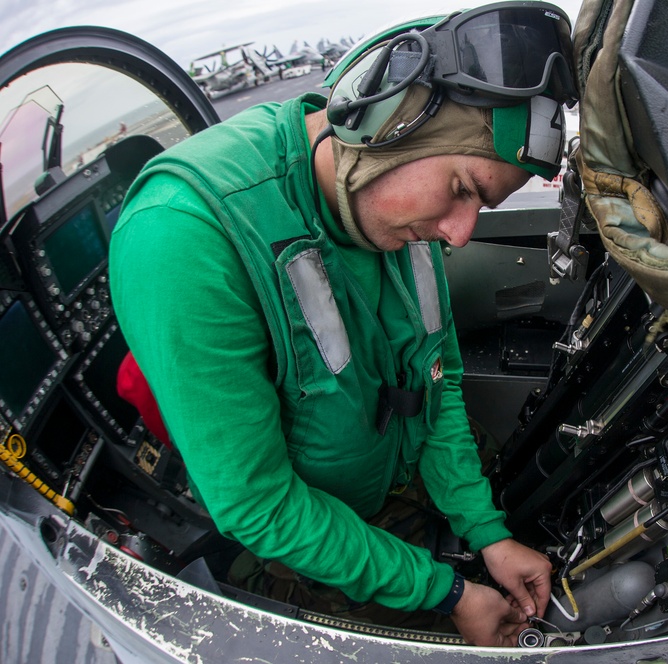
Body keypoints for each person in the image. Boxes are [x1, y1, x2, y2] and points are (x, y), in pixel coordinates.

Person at [108, 1, 577, 648]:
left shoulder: (391, 206)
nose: (460, 235)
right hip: (298, 538)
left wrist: (486, 532)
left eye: (484, 204)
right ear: (382, 123)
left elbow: (434, 384)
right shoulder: (181, 239)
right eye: (462, 188)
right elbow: (260, 506)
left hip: (398, 473)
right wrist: (445, 592)